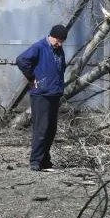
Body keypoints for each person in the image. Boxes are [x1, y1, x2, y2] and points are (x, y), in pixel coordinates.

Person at [16, 24, 68, 171]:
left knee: (51, 129)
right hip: (41, 94)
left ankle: (45, 159)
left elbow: (60, 68)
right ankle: (35, 160)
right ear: (51, 36)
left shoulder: (58, 50)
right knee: (41, 129)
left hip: (54, 93)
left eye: (62, 41)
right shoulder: (39, 46)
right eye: (57, 40)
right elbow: (21, 60)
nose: (59, 43)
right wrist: (32, 77)